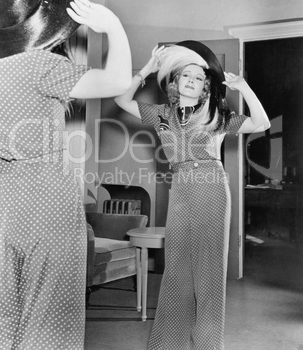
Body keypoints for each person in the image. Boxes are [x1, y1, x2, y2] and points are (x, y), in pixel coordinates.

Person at [0, 0, 131, 350]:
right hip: (45, 201)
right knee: (52, 316)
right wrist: (113, 26)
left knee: (5, 314)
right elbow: (118, 81)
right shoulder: (41, 64)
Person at [114, 41, 270, 350]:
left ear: (205, 88)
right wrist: (146, 70)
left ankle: (208, 345)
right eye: (186, 75)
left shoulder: (217, 114)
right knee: (176, 269)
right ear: (174, 81)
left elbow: (262, 123)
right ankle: (168, 343)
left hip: (211, 186)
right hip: (181, 188)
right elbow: (121, 99)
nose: (191, 80)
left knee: (209, 271)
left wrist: (243, 87)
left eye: (199, 78)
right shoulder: (161, 114)